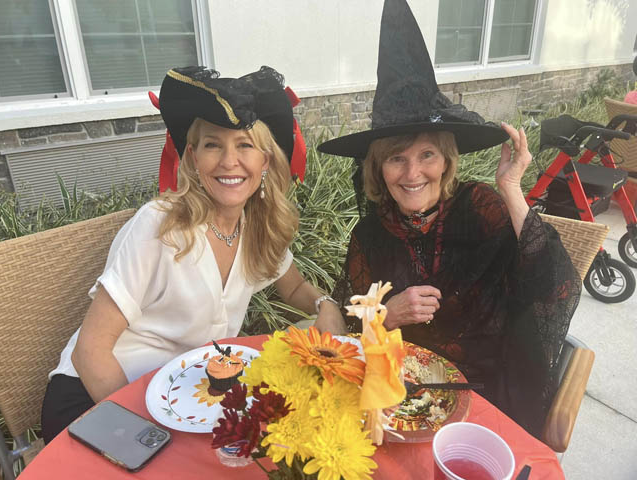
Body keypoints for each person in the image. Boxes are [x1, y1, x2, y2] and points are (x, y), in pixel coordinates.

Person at [41, 66, 346, 443]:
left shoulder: (257, 226)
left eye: (245, 145)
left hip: (184, 398)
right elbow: (91, 352)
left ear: (265, 162)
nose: (229, 161)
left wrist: (325, 304)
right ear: (193, 157)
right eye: (213, 144)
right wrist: (144, 435)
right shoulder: (160, 226)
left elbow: (295, 285)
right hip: (97, 396)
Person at [319, 0, 581, 437]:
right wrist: (387, 314)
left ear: (446, 161)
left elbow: (555, 284)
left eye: (427, 155)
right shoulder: (370, 232)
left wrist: (512, 190)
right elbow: (350, 322)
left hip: (484, 391)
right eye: (396, 159)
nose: (412, 173)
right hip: (398, 393)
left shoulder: (480, 209)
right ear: (378, 170)